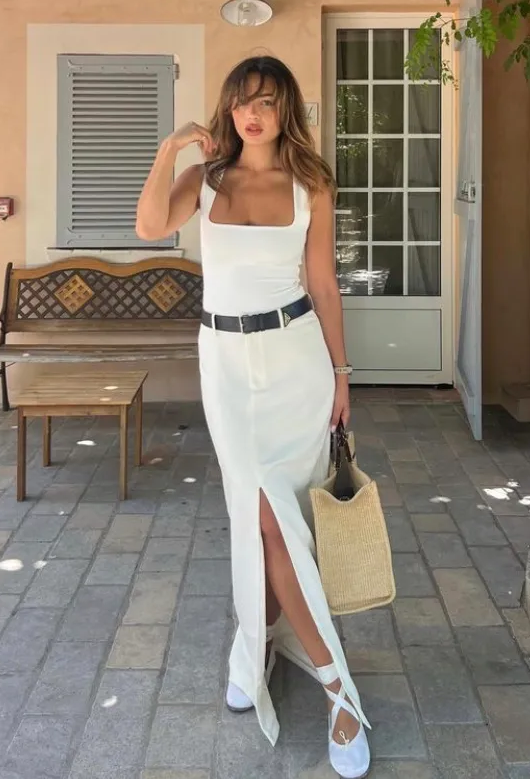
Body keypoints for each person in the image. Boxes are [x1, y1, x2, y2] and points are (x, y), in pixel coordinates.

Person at [136, 56, 370, 779]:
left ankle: (335, 689)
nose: (252, 113)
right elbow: (148, 226)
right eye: (241, 101)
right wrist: (171, 148)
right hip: (227, 368)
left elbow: (324, 283)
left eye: (266, 101)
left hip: (296, 359)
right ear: (227, 111)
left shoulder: (312, 183)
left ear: (285, 108)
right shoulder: (206, 182)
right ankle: (259, 647)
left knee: (278, 519)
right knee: (256, 514)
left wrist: (340, 374)